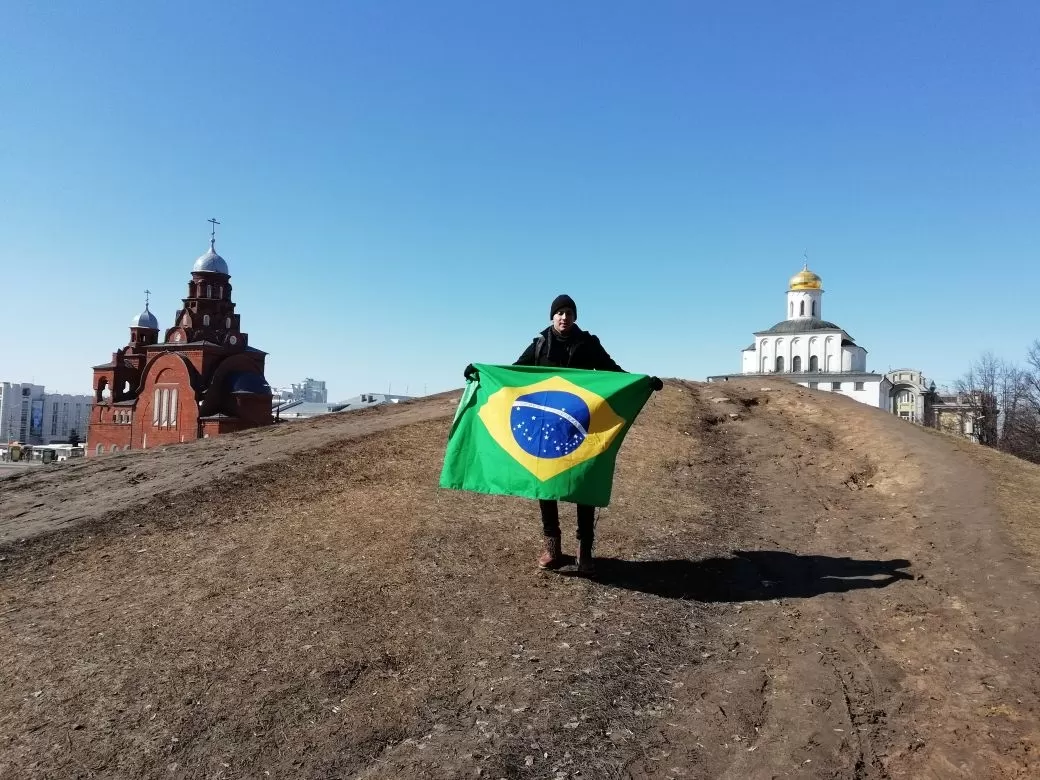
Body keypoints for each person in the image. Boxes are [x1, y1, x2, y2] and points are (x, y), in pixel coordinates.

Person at [465, 293, 662, 574]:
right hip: (546, 428)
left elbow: (614, 373)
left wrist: (643, 382)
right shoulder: (540, 344)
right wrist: (481, 373)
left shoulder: (588, 344)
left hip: (581, 424)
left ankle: (585, 551)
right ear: (552, 316)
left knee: (584, 483)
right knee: (545, 485)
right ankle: (552, 548)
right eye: (560, 313)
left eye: (569, 313)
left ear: (575, 317)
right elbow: (514, 373)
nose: (564, 317)